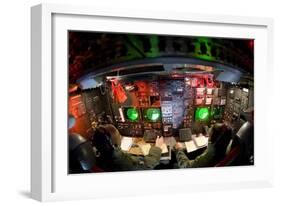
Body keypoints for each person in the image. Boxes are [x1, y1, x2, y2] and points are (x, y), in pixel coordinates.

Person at [92, 124, 164, 172]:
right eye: (118, 135)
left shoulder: (97, 157)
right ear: (114, 145)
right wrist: (157, 147)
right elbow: (148, 165)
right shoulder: (122, 161)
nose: (120, 137)